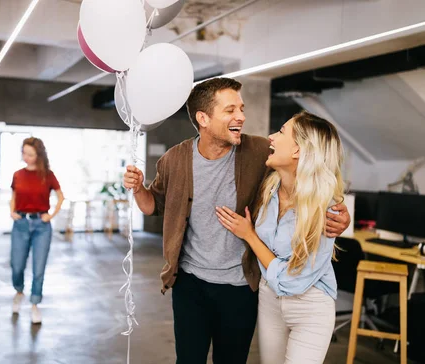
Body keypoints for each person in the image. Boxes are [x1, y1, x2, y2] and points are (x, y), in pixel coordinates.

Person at [123, 78, 351, 363]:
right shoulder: (175, 159)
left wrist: (339, 212)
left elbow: (310, 165)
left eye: (241, 109)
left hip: (240, 286)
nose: (241, 117)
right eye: (230, 110)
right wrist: (138, 189)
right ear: (203, 118)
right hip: (191, 283)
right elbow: (152, 205)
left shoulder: (257, 152)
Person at [216, 111, 344, 364]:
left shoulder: (325, 208)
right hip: (269, 298)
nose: (271, 137)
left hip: (310, 305)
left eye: (282, 131)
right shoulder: (269, 188)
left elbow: (292, 282)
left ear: (298, 150)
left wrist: (250, 236)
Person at [10, 137, 64, 324]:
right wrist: (11, 211)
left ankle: (34, 304)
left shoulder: (47, 175)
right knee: (17, 265)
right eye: (24, 153)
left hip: (42, 226)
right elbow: (14, 196)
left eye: (30, 154)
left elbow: (61, 197)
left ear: (39, 155)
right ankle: (18, 291)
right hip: (21, 224)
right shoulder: (17, 174)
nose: (26, 157)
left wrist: (51, 215)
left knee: (38, 268)